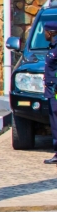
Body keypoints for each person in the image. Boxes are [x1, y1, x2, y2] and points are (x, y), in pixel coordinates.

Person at [44, 21, 57, 164]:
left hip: (55, 91)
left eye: (45, 31)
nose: (44, 34)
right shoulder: (52, 46)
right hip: (51, 90)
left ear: (51, 32)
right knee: (54, 122)